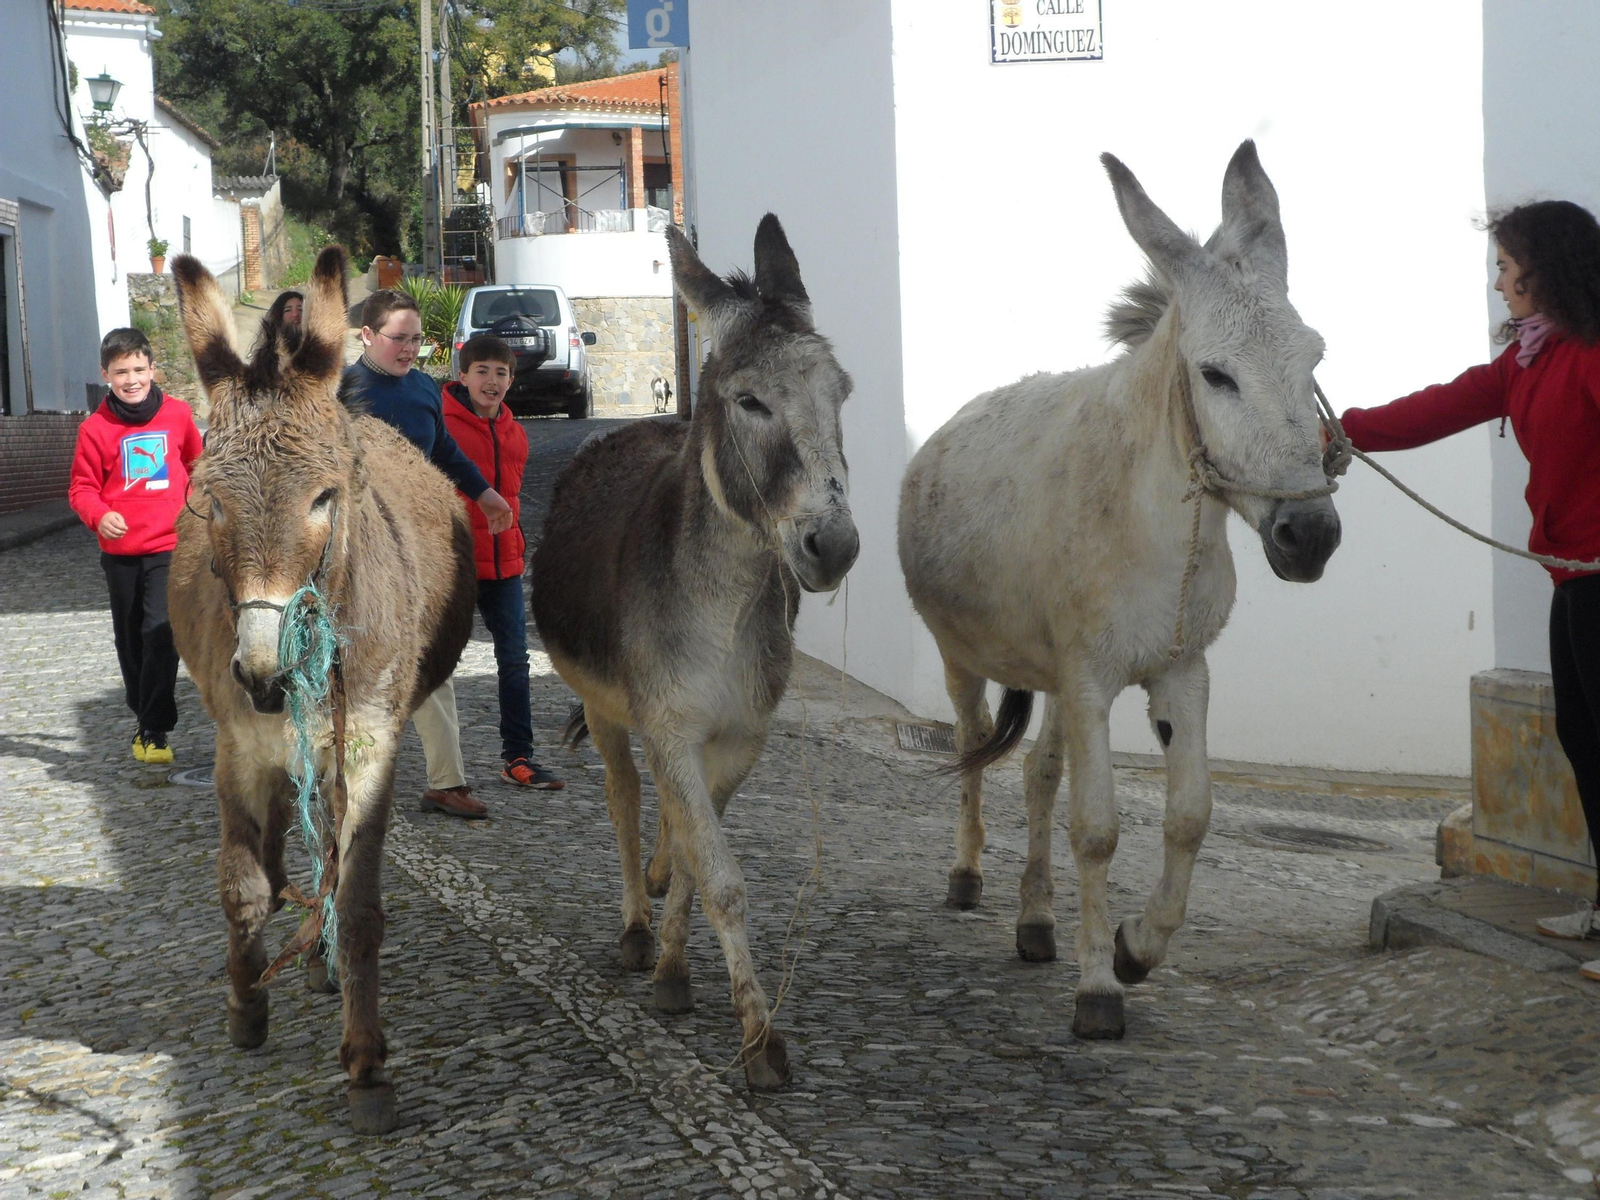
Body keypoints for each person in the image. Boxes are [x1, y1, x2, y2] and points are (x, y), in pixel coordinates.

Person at [1339, 200, 1600, 982]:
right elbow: (1443, 405)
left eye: (1506, 266)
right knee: (1584, 742)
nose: (1498, 282)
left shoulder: (1589, 354)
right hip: (1572, 577)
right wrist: (1342, 429)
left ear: (1545, 268)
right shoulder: (1528, 359)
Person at [341, 288, 516, 820]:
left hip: (413, 550)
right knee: (352, 661)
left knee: (426, 658)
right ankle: (343, 776)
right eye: (399, 338)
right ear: (367, 336)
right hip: (356, 552)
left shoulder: (422, 388)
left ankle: (447, 781)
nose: (410, 348)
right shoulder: (341, 390)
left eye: (417, 338)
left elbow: (441, 449)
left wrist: (485, 495)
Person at [68, 328, 204, 766]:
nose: (132, 380)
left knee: (160, 632)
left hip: (171, 546)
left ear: (152, 368)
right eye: (121, 371)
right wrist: (98, 514)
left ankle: (154, 728)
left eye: (139, 369)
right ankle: (142, 708)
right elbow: (82, 488)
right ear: (105, 374)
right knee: (130, 640)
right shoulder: (94, 429)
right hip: (121, 552)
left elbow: (198, 467)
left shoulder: (178, 415)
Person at [442, 334, 564, 790]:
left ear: (511, 380)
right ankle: (428, 763)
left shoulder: (516, 432)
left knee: (514, 660)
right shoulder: (443, 425)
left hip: (505, 564)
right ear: (463, 375)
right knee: (435, 665)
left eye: (501, 373)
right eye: (482, 372)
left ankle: (518, 757)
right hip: (453, 563)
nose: (491, 381)